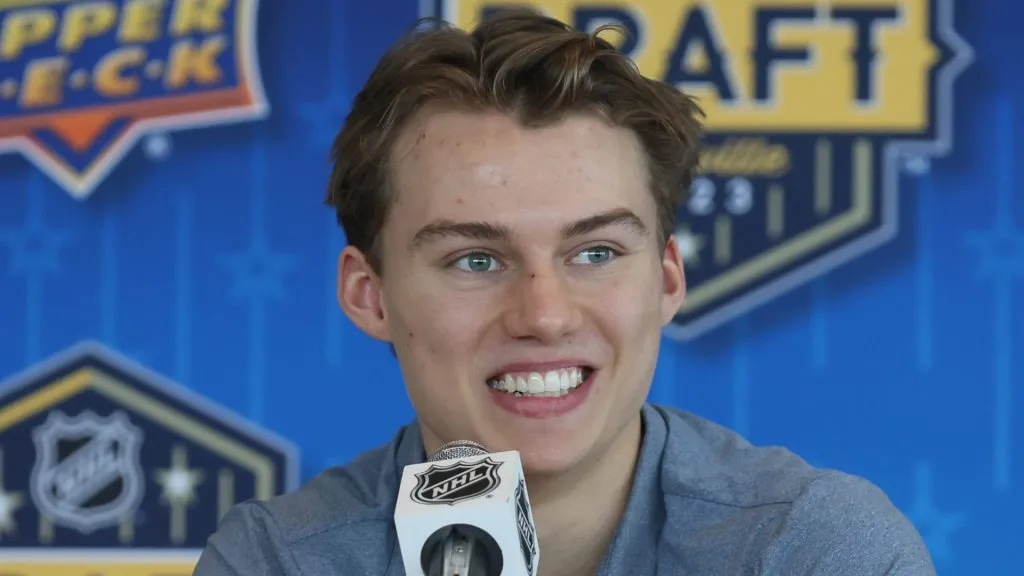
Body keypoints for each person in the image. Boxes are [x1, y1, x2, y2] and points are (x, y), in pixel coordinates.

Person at [193, 9, 934, 576]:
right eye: (476, 260)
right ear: (369, 295)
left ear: (666, 279)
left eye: (597, 252)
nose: (544, 315)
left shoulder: (809, 549)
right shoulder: (279, 561)